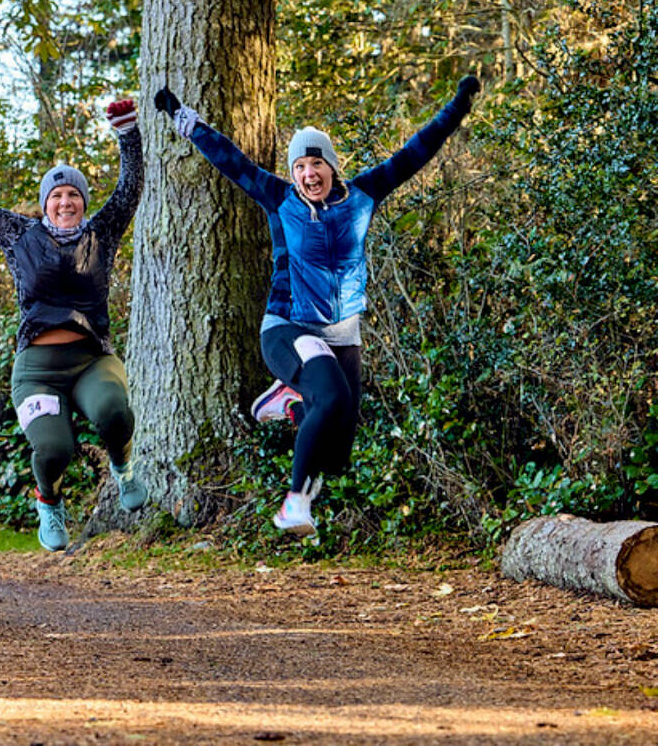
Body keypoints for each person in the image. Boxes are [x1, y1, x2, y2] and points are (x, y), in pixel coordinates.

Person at [155, 76, 480, 536]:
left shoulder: (363, 196)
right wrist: (182, 117)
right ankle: (293, 503)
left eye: (316, 164)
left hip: (342, 334)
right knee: (328, 394)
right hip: (287, 327)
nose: (308, 174)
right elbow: (229, 158)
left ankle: (289, 401)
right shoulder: (279, 198)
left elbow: (415, 152)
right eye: (300, 166)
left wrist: (458, 107)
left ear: (331, 166)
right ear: (293, 173)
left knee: (338, 449)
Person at [0, 98, 147, 552]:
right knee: (54, 450)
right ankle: (49, 503)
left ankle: (123, 467)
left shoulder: (102, 233)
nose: (65, 201)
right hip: (37, 369)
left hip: (91, 360)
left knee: (115, 413)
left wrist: (127, 131)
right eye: (56, 196)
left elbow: (130, 187)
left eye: (73, 194)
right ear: (44, 205)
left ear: (83, 202)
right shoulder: (20, 234)